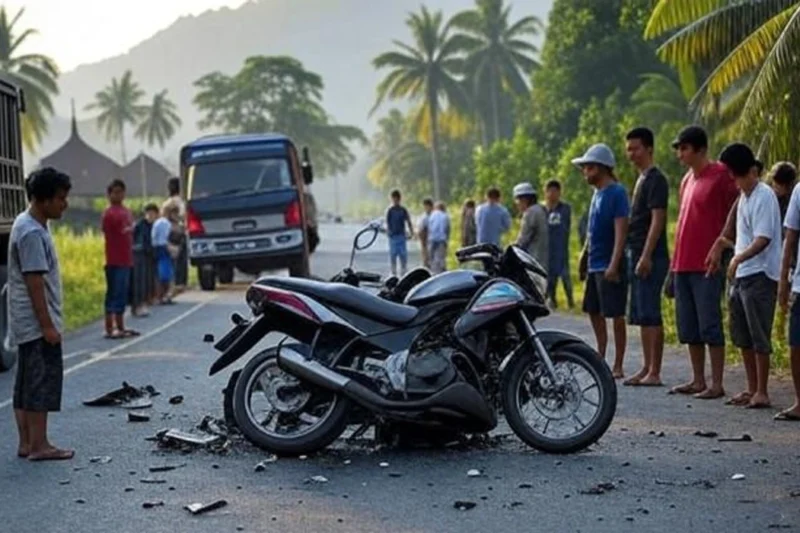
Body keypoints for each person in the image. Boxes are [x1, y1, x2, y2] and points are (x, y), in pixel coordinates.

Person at [708, 143, 781, 409]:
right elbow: (737, 234)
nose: (735, 181)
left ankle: (762, 390)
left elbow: (763, 238)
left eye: (738, 175)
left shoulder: (764, 196)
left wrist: (739, 258)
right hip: (741, 275)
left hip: (760, 273)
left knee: (759, 334)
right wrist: (723, 247)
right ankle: (751, 388)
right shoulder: (743, 198)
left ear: (752, 171)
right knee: (742, 334)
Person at [9, 167, 74, 461]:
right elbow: (35, 282)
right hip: (35, 323)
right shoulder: (32, 233)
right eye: (60, 198)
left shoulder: (27, 224)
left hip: (25, 322)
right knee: (40, 382)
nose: (65, 204)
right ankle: (40, 445)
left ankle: (26, 442)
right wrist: (47, 326)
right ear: (43, 200)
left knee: (25, 382)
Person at [669, 125, 739, 399]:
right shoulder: (687, 180)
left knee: (710, 322)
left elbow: (735, 214)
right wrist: (673, 267)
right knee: (689, 325)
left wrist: (723, 250)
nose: (680, 154)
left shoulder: (721, 175)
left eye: (685, 148)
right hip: (683, 263)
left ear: (700, 149)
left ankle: (717, 383)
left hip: (708, 263)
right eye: (679, 149)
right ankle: (698, 379)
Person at [574, 144, 630, 378]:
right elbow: (591, 230)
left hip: (609, 263)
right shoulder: (596, 194)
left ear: (601, 168)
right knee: (593, 310)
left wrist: (614, 263)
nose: (585, 172)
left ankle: (618, 363)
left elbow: (621, 230)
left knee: (615, 313)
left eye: (588, 167)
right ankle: (601, 353)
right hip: (595, 262)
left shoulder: (617, 193)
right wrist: (584, 256)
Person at [624, 127, 670, 387]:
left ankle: (656, 370)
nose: (631, 154)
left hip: (650, 254)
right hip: (636, 251)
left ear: (649, 149)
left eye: (636, 148)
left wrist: (647, 255)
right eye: (628, 149)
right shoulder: (641, 178)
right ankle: (646, 366)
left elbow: (658, 219)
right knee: (641, 313)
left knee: (651, 312)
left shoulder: (656, 179)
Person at [777, 164, 800, 421]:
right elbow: (790, 238)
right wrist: (783, 280)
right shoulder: (798, 192)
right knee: (796, 345)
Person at [102, 180, 138, 339]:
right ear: (109, 194)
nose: (118, 195)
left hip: (126, 259)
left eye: (121, 192)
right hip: (114, 260)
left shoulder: (126, 211)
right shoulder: (109, 213)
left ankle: (121, 326)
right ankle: (110, 327)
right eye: (115, 192)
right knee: (114, 293)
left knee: (122, 294)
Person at [544, 180, 574, 309]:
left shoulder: (565, 208)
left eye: (555, 191)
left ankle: (571, 301)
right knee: (550, 278)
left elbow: (565, 226)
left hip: (561, 248)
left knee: (565, 277)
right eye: (550, 191)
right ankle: (552, 300)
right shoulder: (543, 210)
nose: (552, 194)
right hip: (548, 249)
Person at [131, 203, 158, 317]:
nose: (151, 216)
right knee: (140, 281)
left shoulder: (154, 226)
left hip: (150, 255)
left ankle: (146, 301)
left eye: (153, 214)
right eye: (149, 213)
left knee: (148, 281)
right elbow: (137, 241)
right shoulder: (140, 225)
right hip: (140, 255)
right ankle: (138, 305)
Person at [514, 182, 549, 266]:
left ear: (524, 200)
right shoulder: (541, 209)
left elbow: (523, 239)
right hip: (545, 258)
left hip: (534, 258)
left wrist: (512, 249)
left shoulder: (530, 212)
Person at [162, 177, 187, 291]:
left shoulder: (167, 203)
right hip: (180, 231)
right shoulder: (181, 201)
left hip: (170, 232)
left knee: (173, 259)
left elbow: (164, 218)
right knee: (181, 259)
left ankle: (175, 282)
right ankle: (180, 282)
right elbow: (183, 216)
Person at [152, 204, 179, 304]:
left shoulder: (158, 222)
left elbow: (154, 237)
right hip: (165, 248)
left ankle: (160, 296)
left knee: (159, 273)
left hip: (157, 248)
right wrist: (172, 249)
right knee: (167, 275)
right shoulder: (167, 224)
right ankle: (166, 296)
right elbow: (167, 238)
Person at [385, 189, 414, 276]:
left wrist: (411, 232)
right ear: (392, 199)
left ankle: (403, 272)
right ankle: (393, 273)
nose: (395, 200)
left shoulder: (403, 210)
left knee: (403, 256)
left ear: (399, 199)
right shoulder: (390, 210)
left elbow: (408, 221)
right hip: (393, 236)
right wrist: (388, 231)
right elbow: (387, 222)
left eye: (397, 199)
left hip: (401, 236)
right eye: (394, 198)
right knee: (393, 255)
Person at [427, 201, 450, 274]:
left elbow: (429, 227)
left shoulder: (432, 215)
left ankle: (432, 272)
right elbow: (447, 229)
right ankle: (441, 272)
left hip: (432, 238)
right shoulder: (445, 216)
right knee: (440, 258)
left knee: (432, 257)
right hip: (441, 239)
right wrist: (447, 240)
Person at [418, 198, 434, 268]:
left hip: (433, 239)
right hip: (425, 239)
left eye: (428, 206)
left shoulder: (435, 215)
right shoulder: (423, 217)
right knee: (425, 258)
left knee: (433, 258)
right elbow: (421, 229)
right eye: (425, 207)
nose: (426, 208)